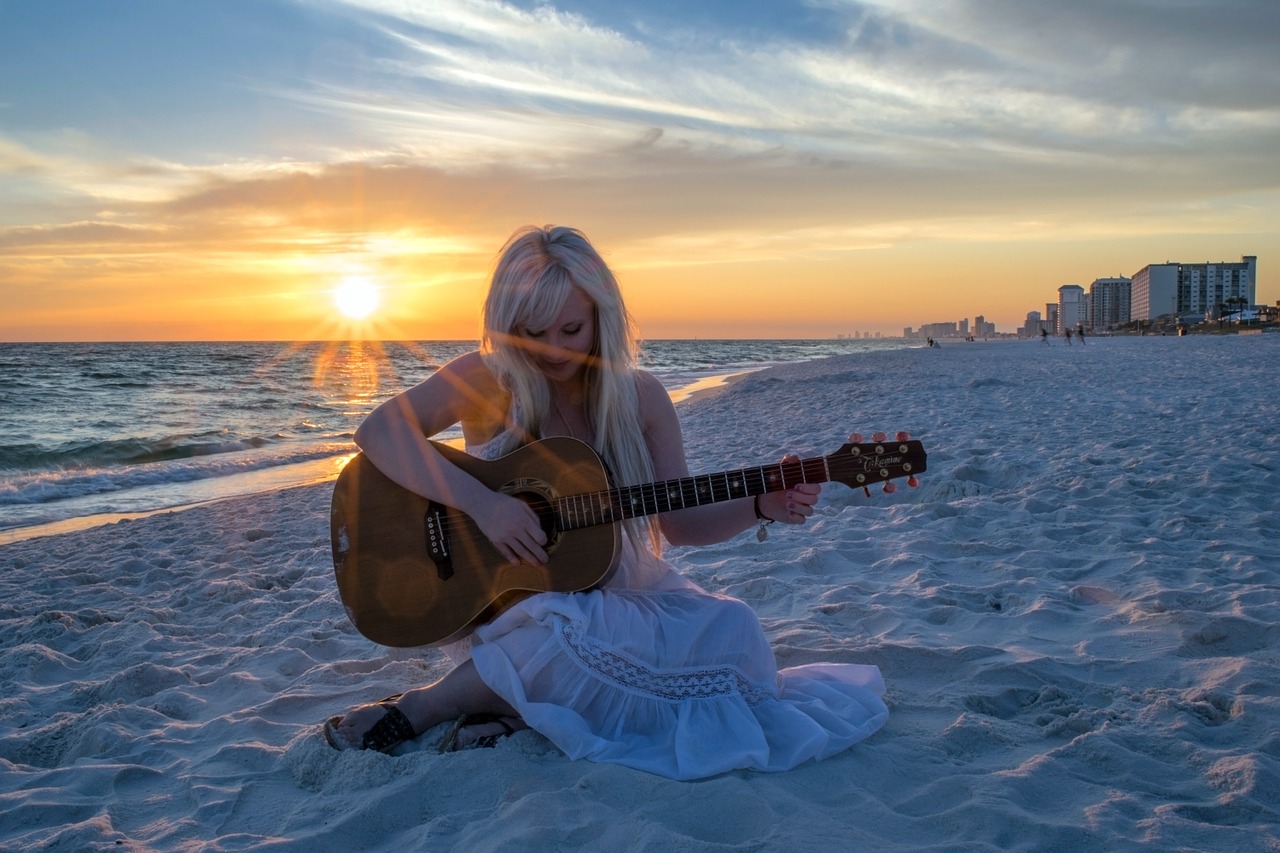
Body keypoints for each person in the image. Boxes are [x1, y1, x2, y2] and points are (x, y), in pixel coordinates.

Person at [323, 225, 887, 780]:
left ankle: (513, 708)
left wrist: (761, 505)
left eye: (570, 328)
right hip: (511, 596)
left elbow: (682, 523)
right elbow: (379, 431)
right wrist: (484, 505)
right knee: (568, 633)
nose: (552, 349)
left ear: (600, 314)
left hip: (612, 586)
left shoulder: (640, 398)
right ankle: (422, 706)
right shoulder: (488, 378)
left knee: (739, 636)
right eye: (531, 332)